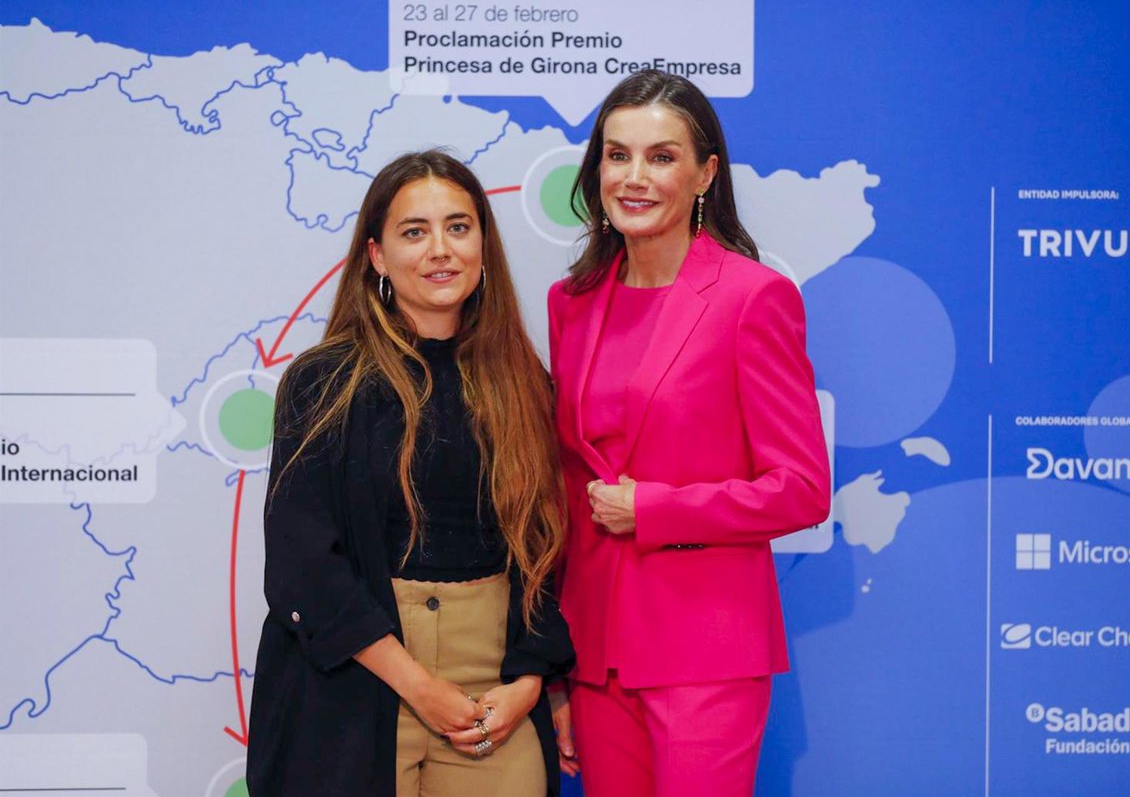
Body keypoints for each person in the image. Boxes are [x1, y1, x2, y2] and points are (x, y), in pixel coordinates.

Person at [247, 150, 574, 797]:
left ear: (483, 245)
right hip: (357, 681)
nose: (440, 250)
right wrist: (419, 687)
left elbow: (545, 545)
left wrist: (533, 680)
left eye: (458, 227)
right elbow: (301, 563)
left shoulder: (526, 384)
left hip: (496, 695)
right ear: (377, 255)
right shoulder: (324, 383)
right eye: (414, 231)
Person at [546, 71, 832, 796]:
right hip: (596, 654)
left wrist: (656, 509)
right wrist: (555, 669)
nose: (634, 177)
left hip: (705, 648)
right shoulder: (571, 302)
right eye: (617, 155)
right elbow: (568, 486)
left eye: (661, 157)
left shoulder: (752, 298)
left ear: (705, 174)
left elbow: (801, 490)